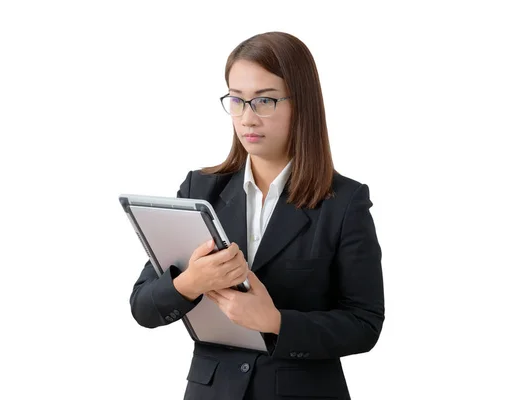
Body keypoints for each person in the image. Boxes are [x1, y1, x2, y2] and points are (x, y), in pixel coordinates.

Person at [129, 31, 385, 400]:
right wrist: (189, 282)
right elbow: (143, 307)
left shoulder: (344, 201)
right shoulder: (200, 190)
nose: (248, 118)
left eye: (264, 100)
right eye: (237, 100)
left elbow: (364, 322)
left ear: (302, 104)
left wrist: (276, 322)